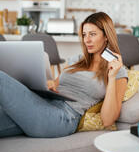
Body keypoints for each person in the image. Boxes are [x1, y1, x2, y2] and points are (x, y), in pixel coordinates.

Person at [0, 12, 128, 138]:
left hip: (63, 117)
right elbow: (54, 85)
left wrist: (112, 77)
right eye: (84, 34)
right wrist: (47, 84)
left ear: (106, 36)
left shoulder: (118, 71)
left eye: (92, 34)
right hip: (43, 104)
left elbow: (107, 120)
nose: (87, 40)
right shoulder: (75, 61)